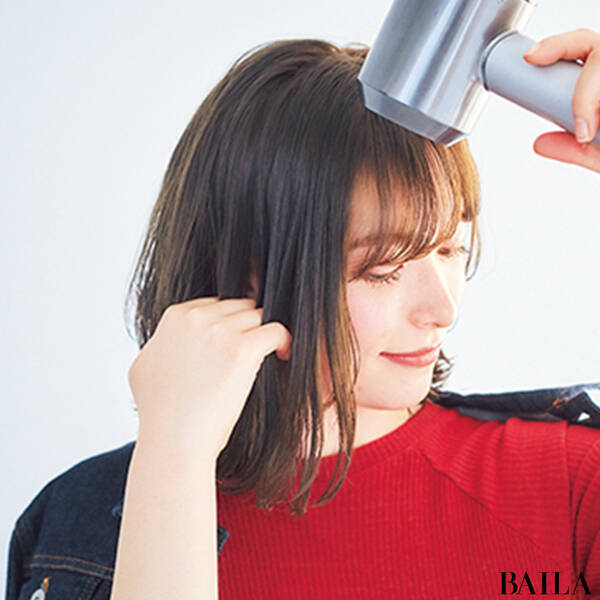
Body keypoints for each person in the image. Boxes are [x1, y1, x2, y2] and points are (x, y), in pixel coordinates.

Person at [5, 29, 600, 600]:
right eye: (383, 268)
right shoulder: (78, 525)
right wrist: (174, 455)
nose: (441, 309)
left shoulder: (569, 488)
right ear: (248, 271)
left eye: (450, 249)